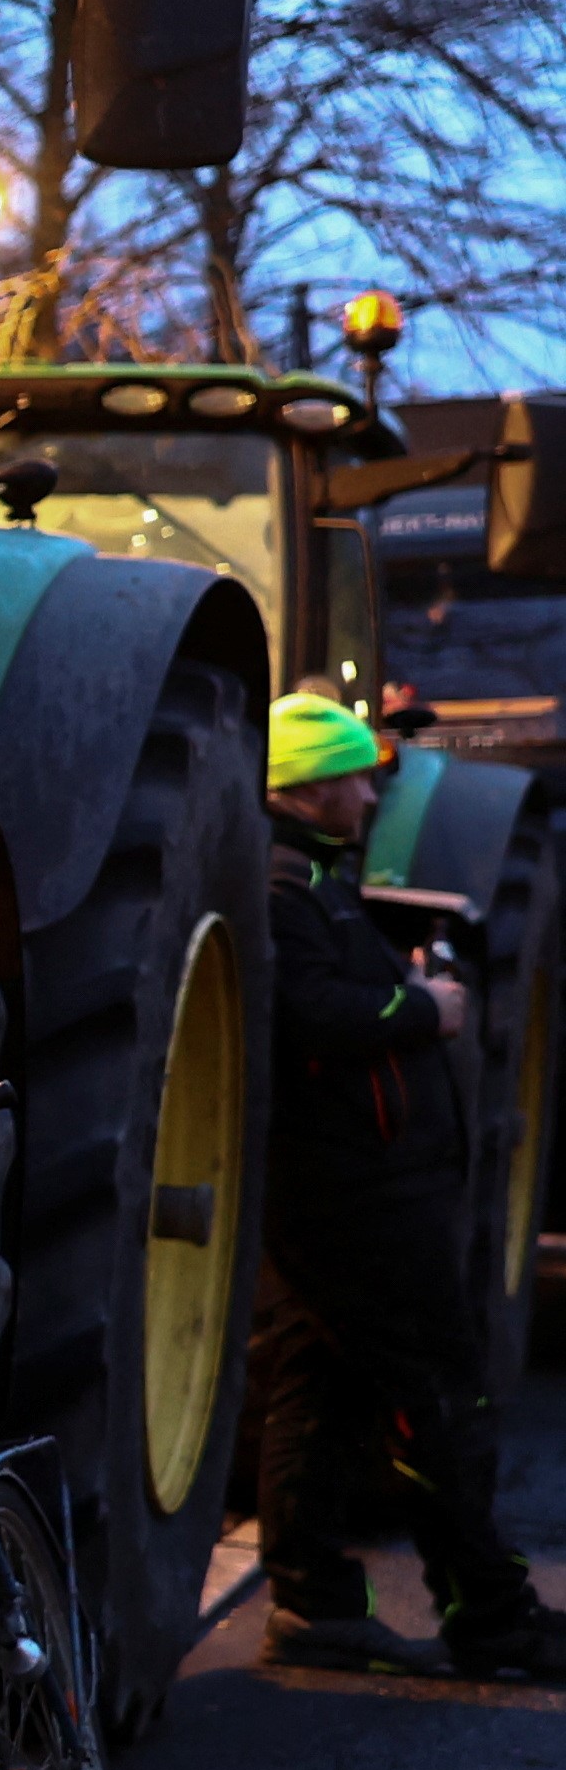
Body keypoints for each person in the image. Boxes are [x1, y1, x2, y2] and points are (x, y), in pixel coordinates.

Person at [252, 691, 556, 1678]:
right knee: (440, 1393)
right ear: (308, 786)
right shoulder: (280, 889)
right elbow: (313, 1015)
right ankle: (491, 1617)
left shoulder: (314, 882)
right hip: (358, 1199)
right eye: (355, 772)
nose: (373, 787)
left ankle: (314, 1605)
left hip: (353, 1190)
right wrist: (418, 1004)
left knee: (320, 1387)